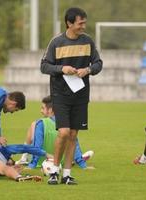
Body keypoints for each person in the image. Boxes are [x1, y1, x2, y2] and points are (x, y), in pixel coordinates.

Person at [40, 7, 103, 185]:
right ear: (69, 23)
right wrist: (62, 69)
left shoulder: (88, 41)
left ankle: (67, 175)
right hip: (60, 95)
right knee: (64, 132)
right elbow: (44, 66)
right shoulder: (56, 42)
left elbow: (98, 63)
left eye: (84, 22)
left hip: (81, 95)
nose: (83, 26)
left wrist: (88, 70)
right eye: (80, 23)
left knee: (73, 134)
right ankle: (54, 171)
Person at [16, 96, 94, 169]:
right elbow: (74, 145)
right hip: (62, 162)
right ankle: (77, 159)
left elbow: (37, 147)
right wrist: (84, 166)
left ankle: (24, 158)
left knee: (34, 124)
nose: (41, 111)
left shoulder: (40, 123)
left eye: (43, 108)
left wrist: (32, 165)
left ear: (50, 110)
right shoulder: (68, 125)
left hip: (42, 162)